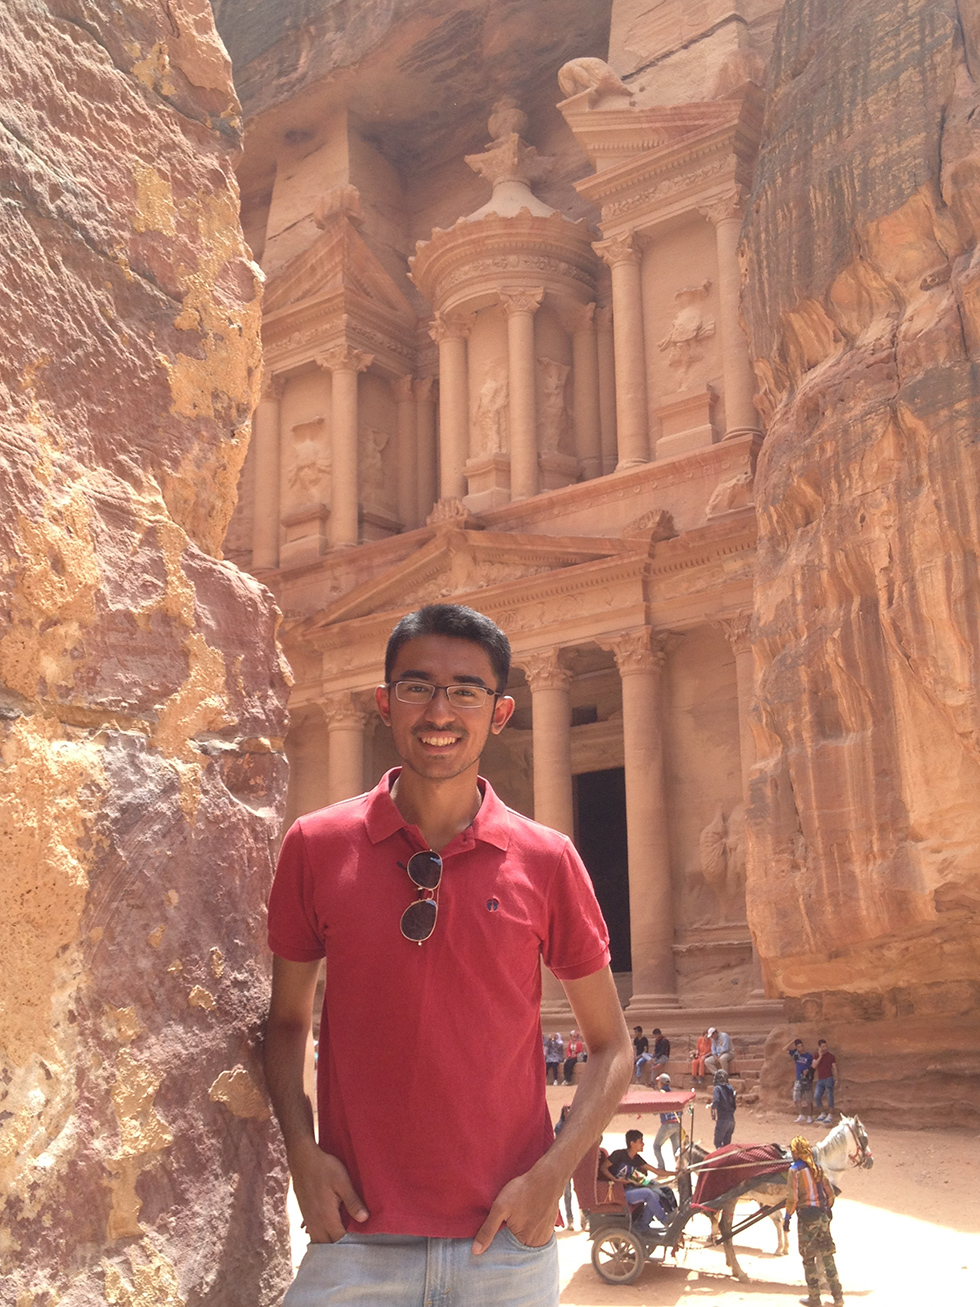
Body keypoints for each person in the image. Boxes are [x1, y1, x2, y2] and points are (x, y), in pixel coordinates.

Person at [264, 603, 633, 1307]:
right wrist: (301, 1154)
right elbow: (286, 1021)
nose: (440, 710)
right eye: (417, 687)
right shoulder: (315, 846)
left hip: (503, 1245)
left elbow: (612, 1045)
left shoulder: (547, 859)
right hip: (357, 1239)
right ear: (384, 703)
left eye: (466, 690)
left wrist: (551, 1176)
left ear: (499, 713)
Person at [783, 1135, 844, 1307]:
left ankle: (814, 1297)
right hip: (822, 1216)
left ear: (796, 1153)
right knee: (827, 1256)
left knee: (808, 1258)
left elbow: (792, 1199)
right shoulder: (817, 1168)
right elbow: (830, 1193)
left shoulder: (794, 1171)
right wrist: (827, 1209)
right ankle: (838, 1296)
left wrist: (787, 1218)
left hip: (807, 1219)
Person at [605, 1130, 673, 1233]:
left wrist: (676, 1174)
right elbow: (603, 1168)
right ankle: (665, 1220)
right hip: (618, 1193)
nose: (643, 1144)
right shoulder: (618, 1155)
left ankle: (643, 1225)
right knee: (648, 1193)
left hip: (629, 1190)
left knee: (656, 1196)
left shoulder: (636, 1158)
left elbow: (656, 1170)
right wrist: (616, 1180)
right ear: (632, 1143)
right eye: (640, 1141)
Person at [553, 1105, 575, 1230]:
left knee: (570, 1193)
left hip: (573, 1162)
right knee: (561, 1194)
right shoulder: (560, 1127)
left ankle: (574, 1219)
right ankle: (562, 1220)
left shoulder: (576, 1125)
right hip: (562, 1163)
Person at [652, 1073, 681, 1170]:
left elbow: (655, 1112)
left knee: (656, 1146)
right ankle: (680, 1169)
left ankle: (661, 1168)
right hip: (677, 1123)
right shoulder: (673, 1094)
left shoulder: (661, 1094)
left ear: (661, 1083)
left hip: (667, 1124)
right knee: (677, 1149)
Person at [788, 1039, 815, 1123]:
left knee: (808, 1099)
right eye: (798, 1047)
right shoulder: (796, 1055)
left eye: (801, 1046)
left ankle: (809, 1116)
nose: (801, 1048)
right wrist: (792, 1041)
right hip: (798, 1079)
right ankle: (801, 1115)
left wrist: (807, 1070)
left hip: (806, 1079)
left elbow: (813, 1067)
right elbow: (784, 1049)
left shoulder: (809, 1056)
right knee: (796, 1098)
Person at [710, 1069, 736, 1148]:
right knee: (726, 1145)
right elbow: (734, 1104)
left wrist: (712, 1106)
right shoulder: (730, 1088)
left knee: (717, 1143)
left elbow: (716, 1101)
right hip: (731, 1120)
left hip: (723, 1120)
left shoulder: (717, 1089)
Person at [813, 1039, 837, 1123]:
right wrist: (820, 1056)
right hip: (820, 1079)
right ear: (819, 1047)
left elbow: (834, 1068)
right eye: (823, 1047)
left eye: (825, 1046)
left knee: (830, 1097)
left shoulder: (831, 1056)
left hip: (829, 1078)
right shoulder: (816, 1056)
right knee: (816, 1096)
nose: (825, 1048)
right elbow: (814, 1066)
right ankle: (822, 1113)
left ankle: (830, 1115)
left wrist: (836, 1079)